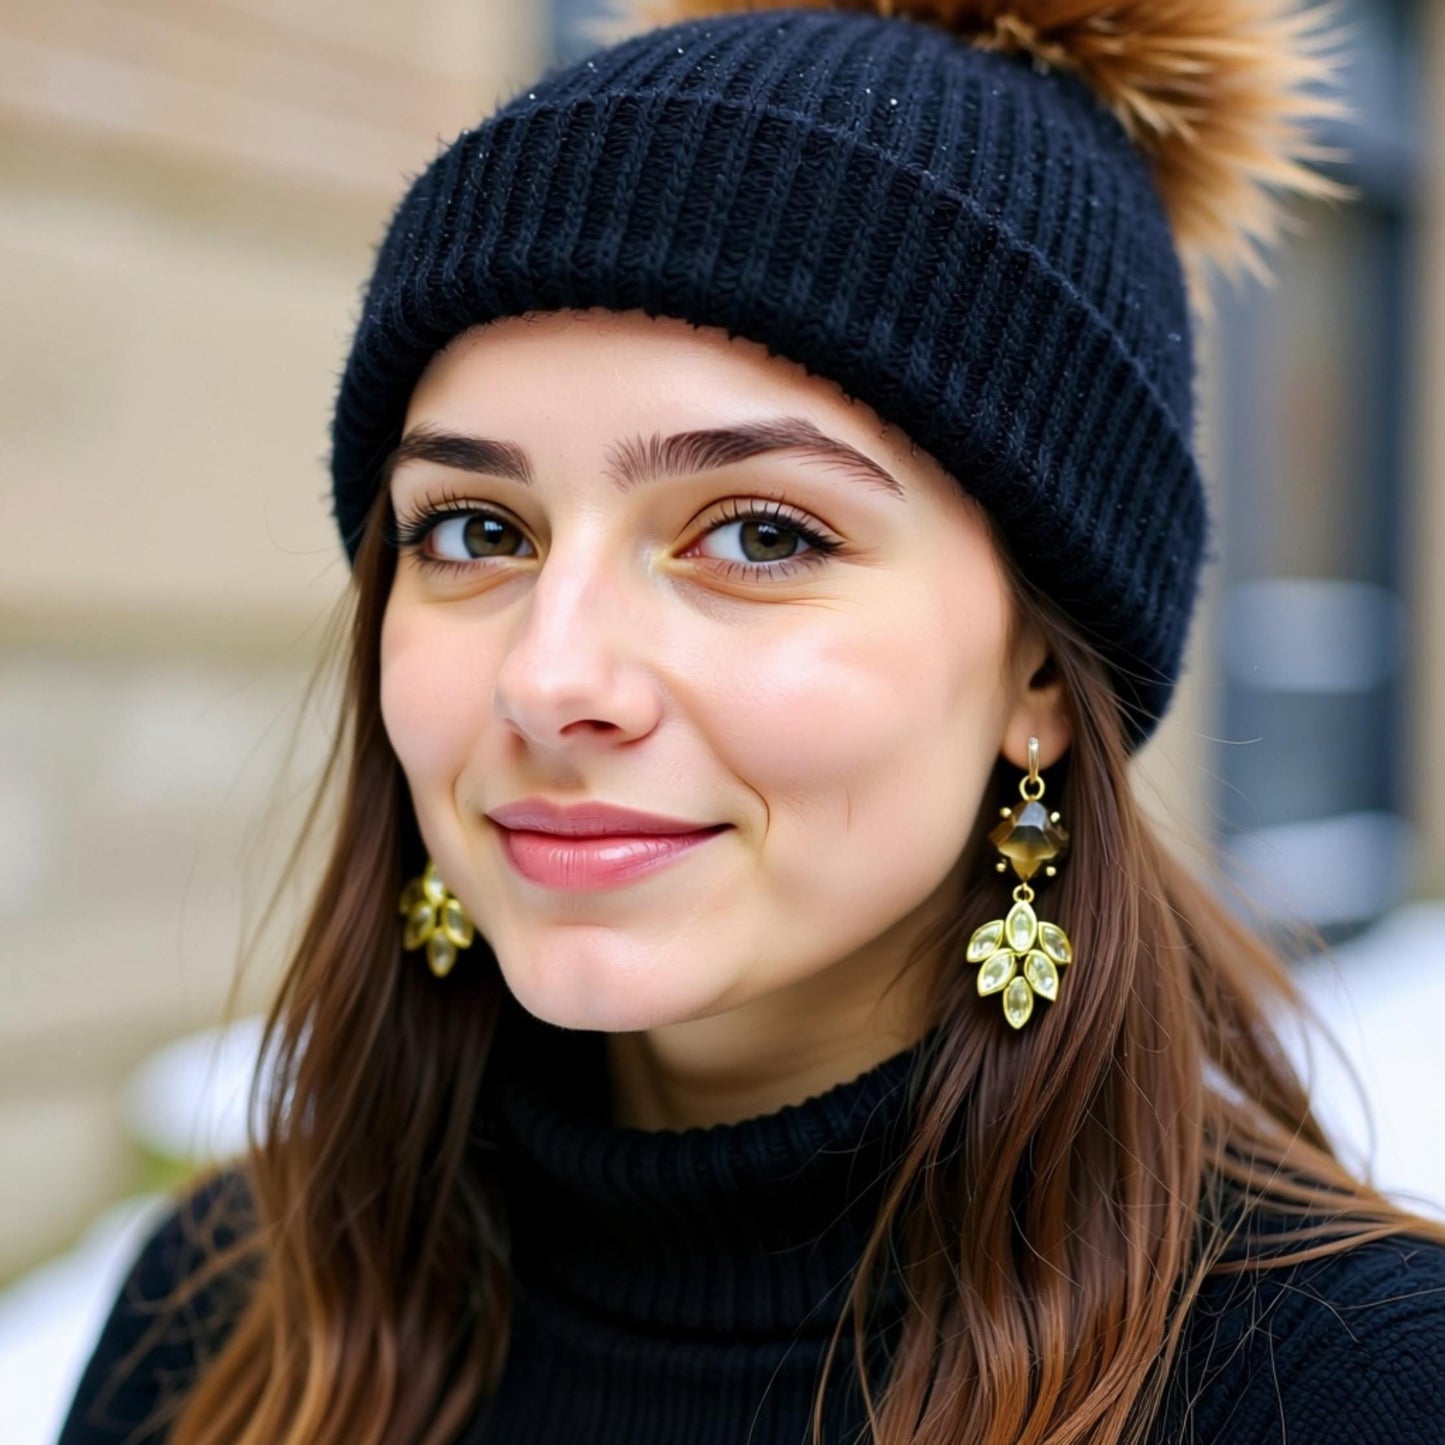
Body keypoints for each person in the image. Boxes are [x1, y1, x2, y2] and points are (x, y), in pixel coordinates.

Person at [55, 1, 1445, 1442]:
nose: (553, 675)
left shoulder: (1346, 1388)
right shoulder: (225, 1311)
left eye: (763, 536)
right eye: (475, 526)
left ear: (1038, 673)